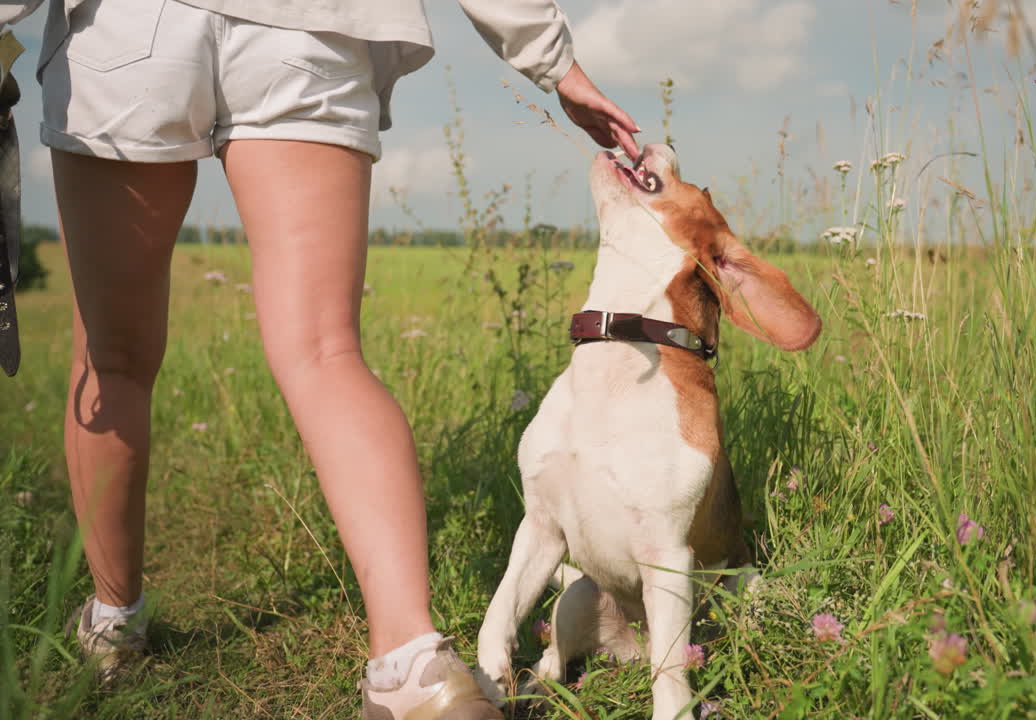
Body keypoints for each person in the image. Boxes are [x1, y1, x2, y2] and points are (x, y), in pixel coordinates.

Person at [2, 0, 640, 717]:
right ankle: (412, 668)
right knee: (326, 353)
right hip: (312, 26)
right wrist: (552, 59)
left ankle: (114, 625)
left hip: (132, 30)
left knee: (113, 357)